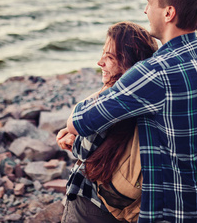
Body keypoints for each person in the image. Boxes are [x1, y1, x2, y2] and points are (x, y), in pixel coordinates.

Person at [67, 0, 197, 222]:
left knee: (81, 190)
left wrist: (73, 125)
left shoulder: (156, 71)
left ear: (168, 12)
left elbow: (80, 121)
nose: (145, 10)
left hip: (177, 211)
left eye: (149, 2)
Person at [57, 21, 158, 223]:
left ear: (128, 63)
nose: (100, 62)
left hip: (92, 202)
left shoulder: (111, 105)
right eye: (103, 53)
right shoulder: (147, 94)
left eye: (109, 57)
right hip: (127, 205)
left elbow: (83, 151)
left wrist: (72, 138)